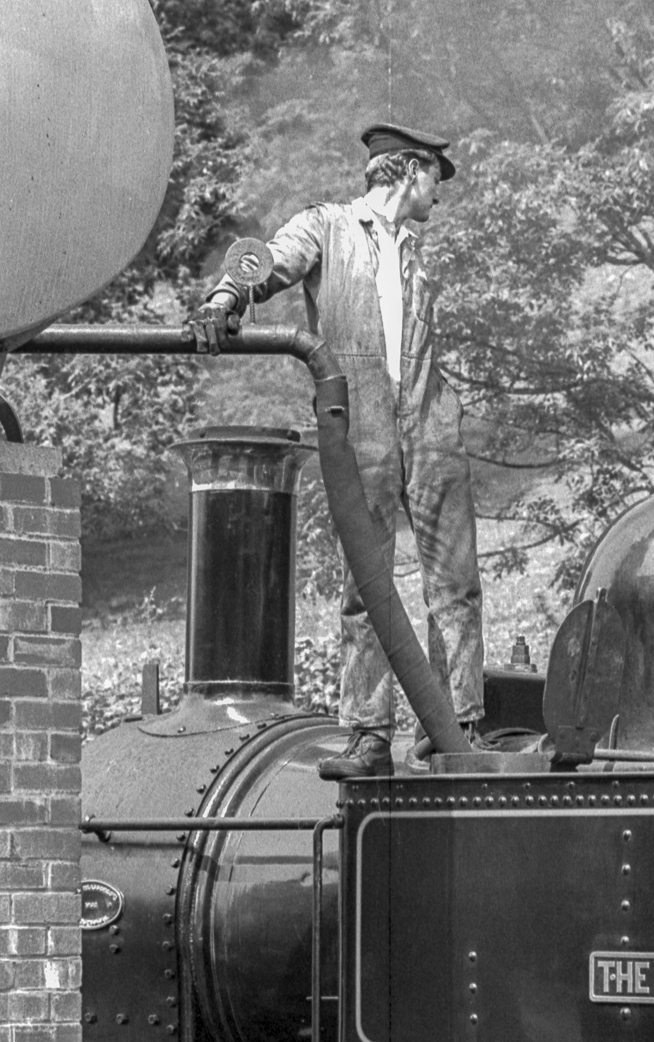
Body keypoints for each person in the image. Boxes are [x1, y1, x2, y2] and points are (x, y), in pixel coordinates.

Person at [189, 122, 485, 779]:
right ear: (410, 172)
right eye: (437, 176)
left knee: (456, 583)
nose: (440, 193)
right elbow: (263, 262)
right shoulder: (326, 227)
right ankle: (369, 735)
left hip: (433, 425)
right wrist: (223, 298)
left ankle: (454, 726)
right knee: (367, 583)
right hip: (364, 429)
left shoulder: (415, 249)